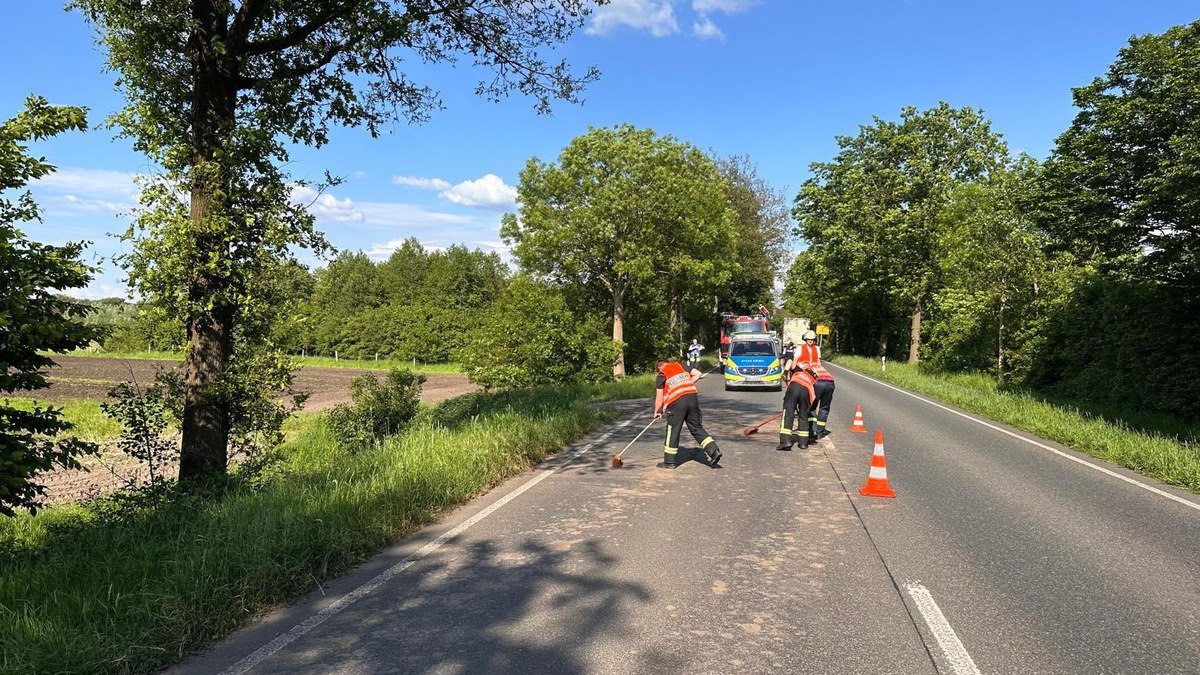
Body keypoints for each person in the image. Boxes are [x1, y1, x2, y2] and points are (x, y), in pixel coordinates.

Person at [654, 359, 722, 469]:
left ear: (659, 368)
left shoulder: (662, 375)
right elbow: (698, 374)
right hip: (692, 398)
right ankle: (714, 451)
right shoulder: (681, 366)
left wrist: (657, 412)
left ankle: (669, 462)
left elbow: (659, 397)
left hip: (677, 403)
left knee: (673, 429)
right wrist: (687, 384)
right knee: (696, 427)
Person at [778, 360, 817, 451]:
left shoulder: (799, 369)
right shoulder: (813, 376)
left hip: (794, 388)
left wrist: (785, 372)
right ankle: (803, 443)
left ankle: (785, 441)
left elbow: (790, 360)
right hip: (806, 392)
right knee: (803, 416)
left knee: (788, 414)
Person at [809, 361, 836, 442]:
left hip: (818, 382)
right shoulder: (819, 366)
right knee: (824, 408)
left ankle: (812, 430)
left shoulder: (806, 367)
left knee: (812, 407)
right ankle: (820, 432)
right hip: (830, 383)